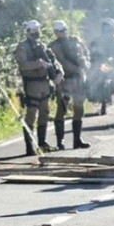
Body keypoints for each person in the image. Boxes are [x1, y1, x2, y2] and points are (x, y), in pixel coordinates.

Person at [15, 20, 64, 155]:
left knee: (45, 113)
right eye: (33, 30)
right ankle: (29, 146)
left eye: (38, 30)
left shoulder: (41, 46)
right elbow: (23, 65)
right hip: (32, 84)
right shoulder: (22, 47)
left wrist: (59, 72)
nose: (36, 32)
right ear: (28, 31)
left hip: (45, 83)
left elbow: (53, 61)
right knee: (31, 115)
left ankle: (42, 143)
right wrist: (38, 63)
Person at [49, 20, 91, 151]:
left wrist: (86, 66)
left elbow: (85, 54)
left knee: (79, 109)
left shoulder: (75, 41)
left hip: (78, 79)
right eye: (59, 31)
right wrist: (79, 70)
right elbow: (62, 62)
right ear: (55, 32)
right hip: (65, 80)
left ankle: (77, 140)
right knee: (61, 109)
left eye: (63, 30)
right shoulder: (54, 46)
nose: (62, 33)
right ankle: (60, 142)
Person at [89, 18, 114, 119]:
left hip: (112, 63)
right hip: (101, 63)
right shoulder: (97, 40)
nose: (110, 33)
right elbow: (92, 52)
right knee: (91, 78)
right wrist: (96, 61)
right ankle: (93, 96)